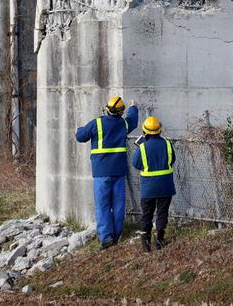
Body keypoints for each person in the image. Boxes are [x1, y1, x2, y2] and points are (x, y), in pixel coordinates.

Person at [75, 96, 138, 249]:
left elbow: (80, 136)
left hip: (101, 172)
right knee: (118, 204)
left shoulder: (97, 123)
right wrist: (134, 107)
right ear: (121, 112)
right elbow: (133, 120)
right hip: (119, 170)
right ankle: (116, 235)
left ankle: (106, 237)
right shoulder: (123, 124)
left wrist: (79, 129)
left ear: (107, 109)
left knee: (102, 204)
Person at [131, 116, 176, 252]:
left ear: (144, 132)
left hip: (148, 188)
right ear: (159, 130)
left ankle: (146, 245)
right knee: (162, 213)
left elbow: (136, 163)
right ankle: (159, 241)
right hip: (165, 185)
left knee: (147, 214)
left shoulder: (142, 147)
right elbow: (172, 160)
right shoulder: (167, 144)